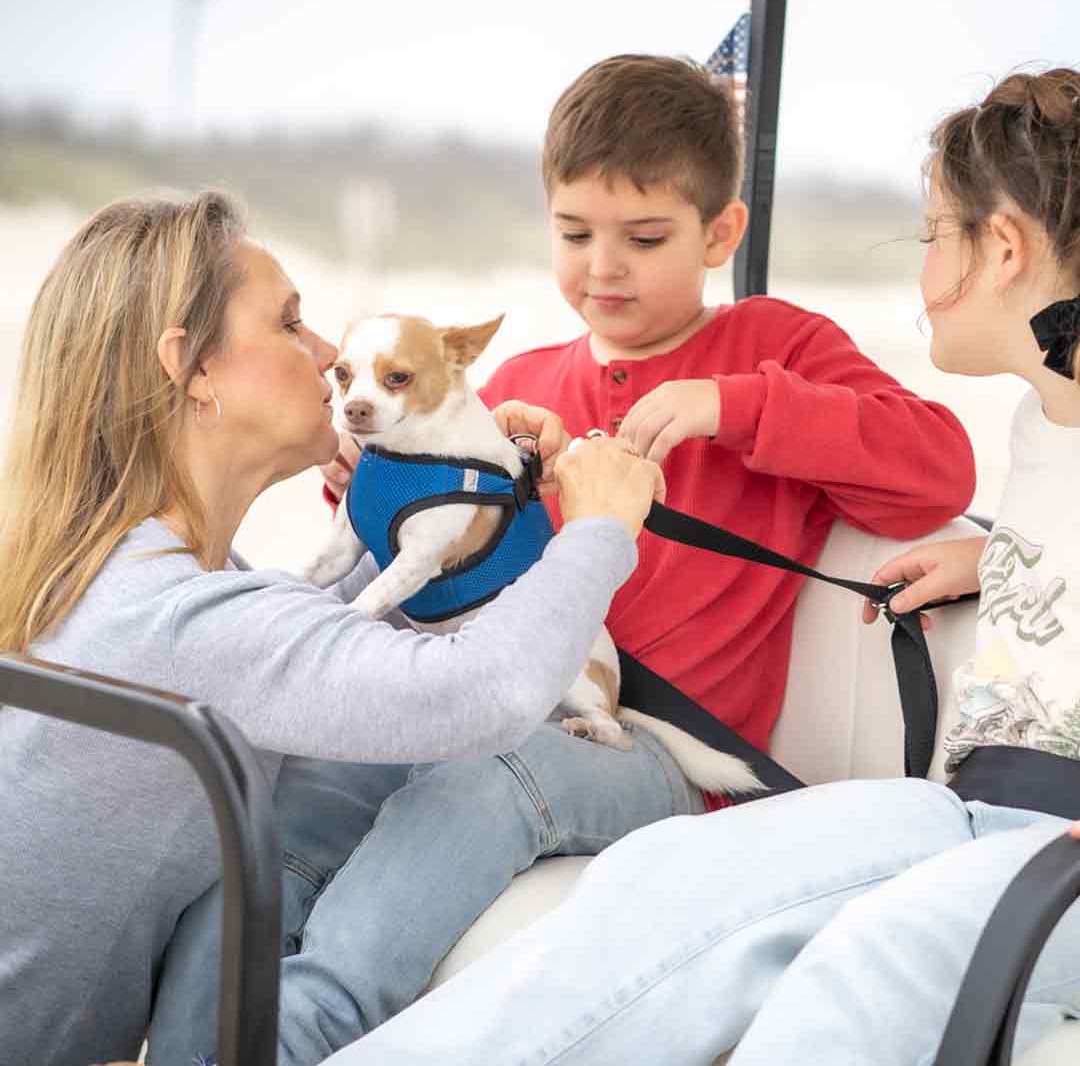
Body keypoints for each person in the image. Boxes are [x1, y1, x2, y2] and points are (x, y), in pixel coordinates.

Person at [309, 67, 1080, 1066]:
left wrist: (739, 405)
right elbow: (443, 544)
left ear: (720, 235)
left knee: (511, 788)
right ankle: (244, 1023)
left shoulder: (776, 350)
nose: (603, 268)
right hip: (521, 702)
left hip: (671, 750)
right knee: (324, 772)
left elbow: (930, 464)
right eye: (574, 234)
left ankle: (320, 1019)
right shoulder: (1045, 416)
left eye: (643, 238)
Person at [0, 191, 664, 1066]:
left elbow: (322, 618)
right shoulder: (191, 622)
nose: (325, 356)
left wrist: (479, 479)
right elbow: (484, 695)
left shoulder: (123, 575)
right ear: (192, 369)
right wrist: (602, 529)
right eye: (291, 324)